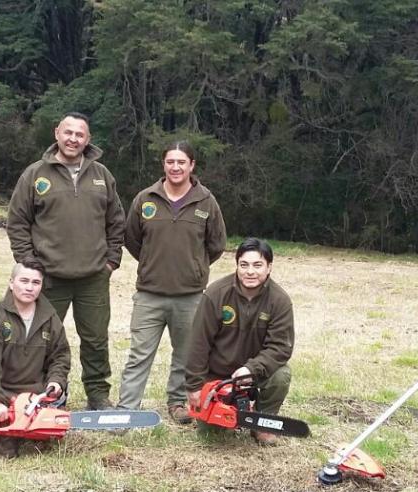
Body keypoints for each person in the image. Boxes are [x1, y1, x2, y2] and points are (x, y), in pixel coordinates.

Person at [7, 112, 124, 410]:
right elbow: (18, 221)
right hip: (50, 278)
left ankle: (97, 396)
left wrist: (111, 260)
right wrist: (30, 264)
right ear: (57, 132)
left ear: (88, 139)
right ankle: (49, 395)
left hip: (93, 278)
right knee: (43, 339)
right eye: (68, 132)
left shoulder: (102, 176)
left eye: (80, 134)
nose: (73, 139)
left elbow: (116, 222)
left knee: (96, 340)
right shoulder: (35, 174)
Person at [118, 141, 226, 424]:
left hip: (189, 296)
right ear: (163, 164)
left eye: (181, 162)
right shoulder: (145, 199)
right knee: (139, 354)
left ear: (192, 165)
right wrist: (152, 263)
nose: (175, 167)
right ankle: (127, 407)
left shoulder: (206, 201)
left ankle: (178, 403)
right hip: (149, 295)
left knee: (186, 355)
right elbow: (131, 239)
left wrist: (194, 268)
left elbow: (216, 245)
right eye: (170, 162)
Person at [185, 238, 294, 445]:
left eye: (257, 265)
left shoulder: (280, 301)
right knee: (212, 436)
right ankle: (226, 414)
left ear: (269, 267)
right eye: (244, 265)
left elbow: (280, 348)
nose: (250, 272)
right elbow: (198, 343)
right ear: (237, 265)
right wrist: (194, 386)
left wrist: (251, 369)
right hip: (217, 376)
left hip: (254, 373)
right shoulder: (216, 294)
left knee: (281, 374)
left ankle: (262, 422)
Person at [0, 259, 70, 458]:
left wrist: (56, 382)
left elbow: (60, 356)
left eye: (35, 283)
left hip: (36, 393)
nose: (29, 287)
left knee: (55, 404)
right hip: (2, 389)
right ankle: (5, 433)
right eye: (24, 281)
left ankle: (36, 433)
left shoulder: (50, 318)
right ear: (11, 283)